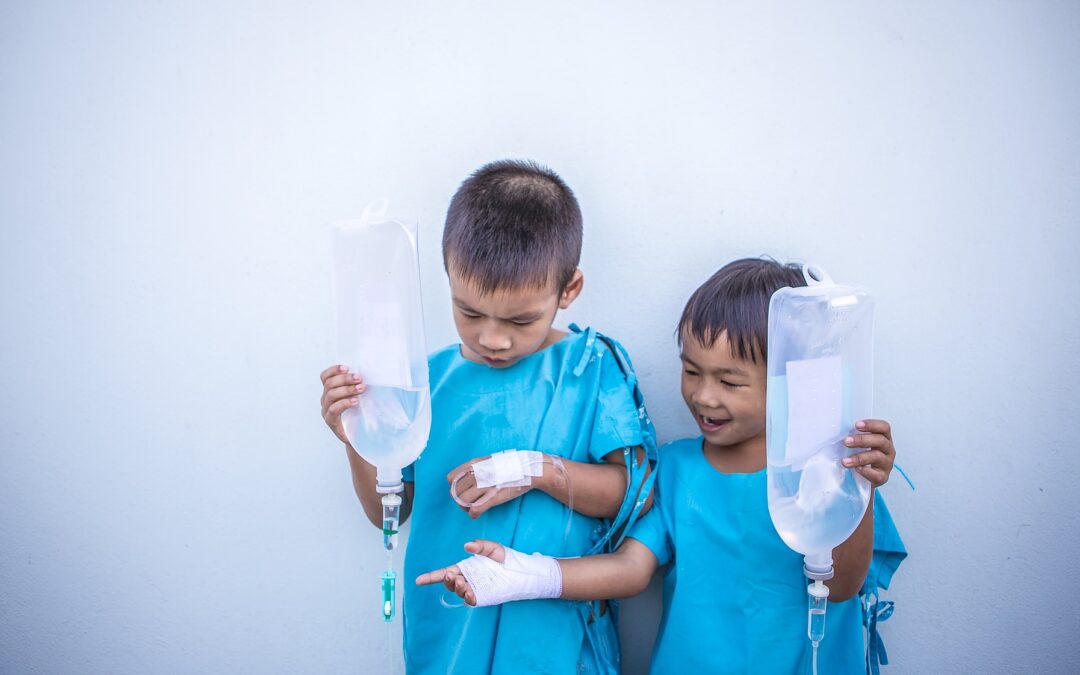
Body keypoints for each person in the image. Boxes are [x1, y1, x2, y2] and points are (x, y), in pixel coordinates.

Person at [418, 258, 907, 674]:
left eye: (730, 382)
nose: (702, 395)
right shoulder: (675, 470)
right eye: (691, 370)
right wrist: (525, 574)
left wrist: (855, 486)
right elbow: (631, 570)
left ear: (789, 381)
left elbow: (839, 586)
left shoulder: (826, 471)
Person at [320, 159, 656, 674]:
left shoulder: (592, 369)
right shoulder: (422, 381)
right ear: (449, 278)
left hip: (558, 642)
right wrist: (357, 437)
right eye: (470, 313)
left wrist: (532, 470)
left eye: (521, 320)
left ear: (568, 290)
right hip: (452, 636)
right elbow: (389, 510)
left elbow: (633, 492)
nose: (492, 339)